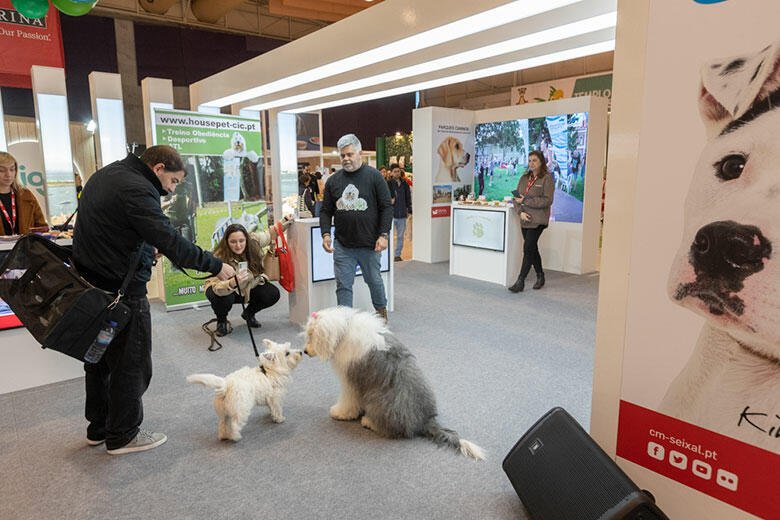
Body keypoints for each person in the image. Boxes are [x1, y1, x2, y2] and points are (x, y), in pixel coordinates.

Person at [72, 145, 236, 455]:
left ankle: (99, 428)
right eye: (173, 181)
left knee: (98, 360)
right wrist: (217, 265)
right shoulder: (138, 188)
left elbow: (118, 231)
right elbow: (170, 240)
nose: (172, 189)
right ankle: (122, 435)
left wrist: (146, 251)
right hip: (123, 295)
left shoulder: (107, 175)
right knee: (131, 364)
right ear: (158, 168)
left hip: (93, 288)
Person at [320, 134, 392, 320]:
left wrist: (384, 234)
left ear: (360, 153)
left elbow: (386, 207)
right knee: (343, 285)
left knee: (374, 281)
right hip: (343, 245)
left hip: (370, 245)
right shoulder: (333, 181)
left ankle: (381, 316)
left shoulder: (374, 176)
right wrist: (326, 234)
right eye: (343, 155)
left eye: (350, 154)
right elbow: (326, 211)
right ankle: (345, 324)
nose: (346, 159)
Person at [205, 223, 280, 337]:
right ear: (226, 242)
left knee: (272, 293)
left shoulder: (254, 241)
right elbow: (217, 287)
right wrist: (232, 283)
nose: (238, 245)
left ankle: (249, 314)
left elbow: (270, 233)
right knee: (221, 298)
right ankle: (222, 320)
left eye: (241, 241)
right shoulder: (218, 256)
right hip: (223, 289)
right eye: (233, 242)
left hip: (248, 286)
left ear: (247, 239)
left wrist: (286, 220)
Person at [509, 149, 555, 293]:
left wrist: (526, 200)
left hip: (538, 219)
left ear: (541, 162)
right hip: (525, 219)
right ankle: (540, 275)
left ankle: (520, 280)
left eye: (535, 160)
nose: (531, 163)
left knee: (528, 248)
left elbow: (548, 200)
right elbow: (516, 198)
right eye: (529, 160)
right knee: (532, 248)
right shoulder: (524, 178)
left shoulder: (547, 178)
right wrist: (520, 212)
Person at [0, 151, 47, 235]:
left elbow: (41, 227)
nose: (8, 174)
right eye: (1, 170)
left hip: (25, 247)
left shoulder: (26, 195)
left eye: (12, 169)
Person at [387, 163, 412, 262]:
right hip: (391, 214)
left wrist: (409, 209)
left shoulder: (405, 184)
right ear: (391, 173)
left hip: (402, 214)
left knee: (400, 236)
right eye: (395, 171)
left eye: (398, 171)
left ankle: (397, 255)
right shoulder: (387, 184)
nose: (397, 173)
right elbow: (383, 198)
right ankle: (388, 255)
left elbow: (408, 198)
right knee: (388, 235)